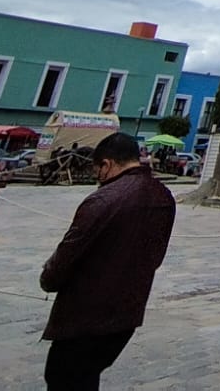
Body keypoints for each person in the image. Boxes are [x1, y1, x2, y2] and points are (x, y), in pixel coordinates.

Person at [39, 130, 175, 389]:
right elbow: (156, 256)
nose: (97, 178)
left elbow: (67, 255)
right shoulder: (163, 196)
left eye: (97, 171)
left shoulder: (102, 199)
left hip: (84, 317)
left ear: (107, 164)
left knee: (64, 379)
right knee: (87, 375)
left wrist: (48, 277)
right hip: (127, 314)